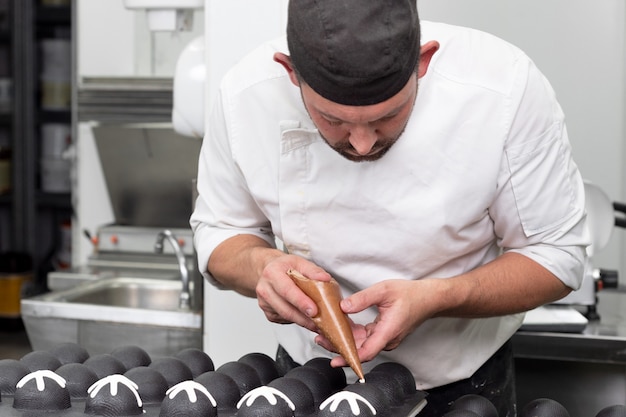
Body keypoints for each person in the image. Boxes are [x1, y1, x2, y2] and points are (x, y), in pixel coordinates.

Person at [190, 0, 589, 415]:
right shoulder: (244, 94)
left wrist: (439, 297)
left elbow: (555, 256)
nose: (362, 144)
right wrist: (261, 268)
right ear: (290, 72)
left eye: (388, 116)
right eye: (332, 119)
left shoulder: (504, 88)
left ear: (423, 60)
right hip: (308, 381)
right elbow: (219, 231)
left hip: (465, 389)